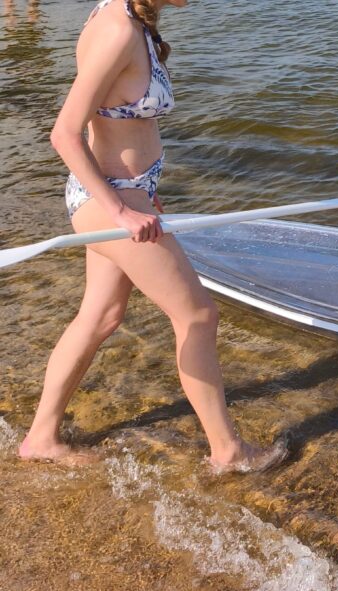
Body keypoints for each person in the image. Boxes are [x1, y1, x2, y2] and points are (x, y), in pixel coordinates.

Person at [18, 0, 286, 472]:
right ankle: (227, 452)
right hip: (108, 200)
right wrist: (120, 210)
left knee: (101, 316)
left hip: (128, 194)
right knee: (198, 315)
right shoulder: (117, 29)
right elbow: (65, 133)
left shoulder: (129, 21)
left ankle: (41, 438)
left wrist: (141, 195)